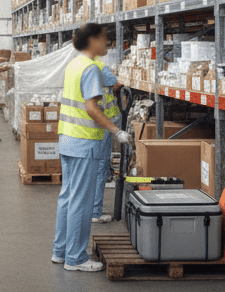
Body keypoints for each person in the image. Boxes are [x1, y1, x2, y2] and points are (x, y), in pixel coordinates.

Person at [52, 23, 130, 272]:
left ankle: (61, 251)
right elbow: (92, 108)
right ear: (93, 40)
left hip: (68, 139)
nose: (107, 43)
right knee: (81, 202)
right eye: (105, 38)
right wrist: (116, 131)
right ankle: (75, 258)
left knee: (67, 198)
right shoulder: (90, 69)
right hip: (84, 142)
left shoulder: (74, 64)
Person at [92, 64, 123, 224]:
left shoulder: (78, 66)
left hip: (92, 125)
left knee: (93, 168)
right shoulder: (100, 67)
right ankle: (95, 212)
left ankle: (91, 210)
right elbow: (116, 84)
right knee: (101, 167)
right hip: (104, 123)